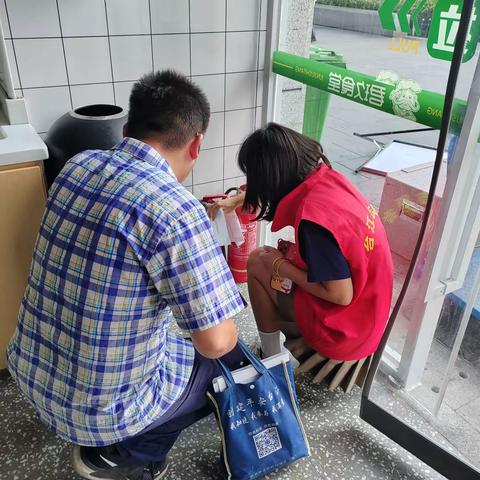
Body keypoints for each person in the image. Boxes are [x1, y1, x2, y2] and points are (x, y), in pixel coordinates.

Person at [6, 70, 246, 480]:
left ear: (127, 127)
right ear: (197, 143)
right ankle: (128, 455)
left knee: (173, 331)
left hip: (31, 374)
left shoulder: (77, 166)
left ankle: (116, 440)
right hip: (99, 411)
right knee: (226, 363)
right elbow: (216, 341)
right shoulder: (175, 209)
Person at [210, 123, 393, 388]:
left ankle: (270, 359)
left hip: (345, 334)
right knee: (269, 260)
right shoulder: (328, 179)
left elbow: (341, 295)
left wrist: (280, 265)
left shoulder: (313, 222)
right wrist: (238, 199)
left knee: (259, 261)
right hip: (368, 317)